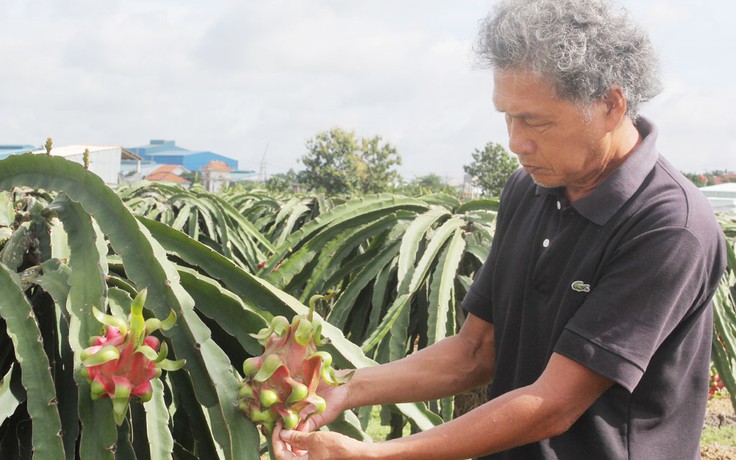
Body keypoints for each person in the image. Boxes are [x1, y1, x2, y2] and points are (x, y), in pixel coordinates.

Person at [273, 0, 728, 458]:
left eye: (535, 121)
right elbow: (475, 350)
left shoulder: (668, 226)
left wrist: (373, 455)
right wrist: (345, 388)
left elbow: (555, 404)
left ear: (610, 104)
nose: (515, 142)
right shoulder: (528, 188)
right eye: (507, 116)